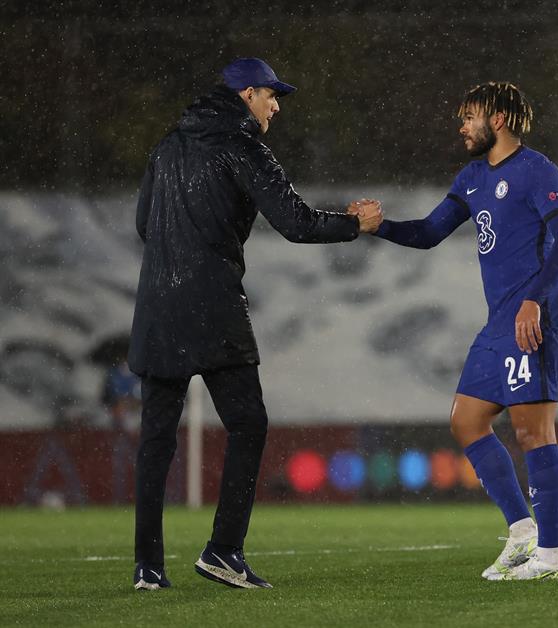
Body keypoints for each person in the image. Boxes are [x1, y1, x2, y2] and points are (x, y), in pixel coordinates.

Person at [128, 57, 382, 591]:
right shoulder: (242, 146)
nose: (276, 107)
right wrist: (355, 224)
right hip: (214, 308)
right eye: (271, 96)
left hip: (156, 309)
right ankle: (223, 551)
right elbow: (296, 223)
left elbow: (144, 223)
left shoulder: (168, 146)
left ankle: (148, 567)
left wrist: (179, 258)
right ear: (246, 95)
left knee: (155, 440)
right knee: (248, 426)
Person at [360, 82, 558, 580]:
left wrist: (533, 300)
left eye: (470, 116)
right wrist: (381, 227)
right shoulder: (472, 177)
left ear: (498, 119)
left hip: (535, 313)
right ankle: (523, 534)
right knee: (466, 421)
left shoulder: (536, 170)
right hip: (500, 320)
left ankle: (551, 558)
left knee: (532, 431)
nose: (461, 125)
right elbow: (428, 233)